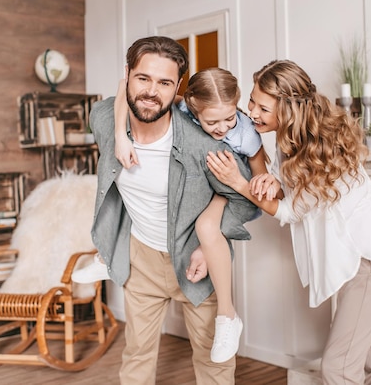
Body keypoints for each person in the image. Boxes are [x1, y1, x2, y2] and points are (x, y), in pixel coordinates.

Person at [206, 59, 371, 385]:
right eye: (252, 101)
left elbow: (290, 212)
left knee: (338, 369)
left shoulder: (318, 146)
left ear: (288, 109)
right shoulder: (293, 141)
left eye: (262, 107)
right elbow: (300, 191)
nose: (252, 112)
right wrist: (273, 181)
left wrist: (238, 182)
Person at [87, 36, 259, 384]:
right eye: (143, 78)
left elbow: (244, 196)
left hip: (194, 261)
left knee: (214, 360)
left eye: (165, 82)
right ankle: (103, 255)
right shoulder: (104, 120)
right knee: (136, 354)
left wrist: (209, 242)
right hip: (141, 258)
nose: (152, 91)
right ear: (127, 76)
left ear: (177, 87)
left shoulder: (205, 143)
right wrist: (122, 137)